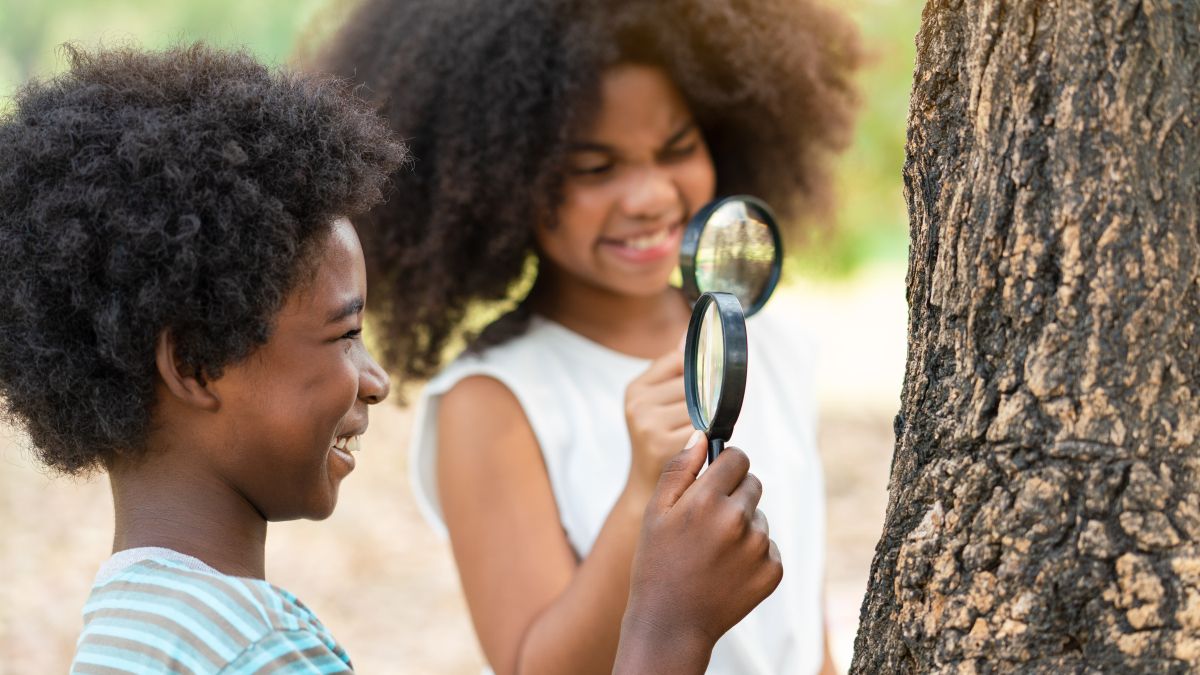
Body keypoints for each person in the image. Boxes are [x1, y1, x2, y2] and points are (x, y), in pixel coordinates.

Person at [0, 43, 781, 673]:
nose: (374, 380)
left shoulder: (137, 624)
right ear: (197, 364)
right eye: (344, 335)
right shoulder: (258, 653)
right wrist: (666, 632)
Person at [317, 0, 861, 673]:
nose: (649, 196)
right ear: (502, 181)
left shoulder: (767, 340)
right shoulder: (494, 400)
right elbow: (536, 664)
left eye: (677, 149)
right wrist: (642, 490)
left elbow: (802, 622)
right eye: (595, 168)